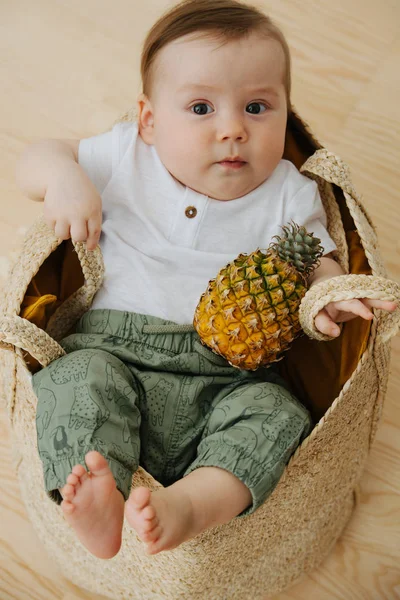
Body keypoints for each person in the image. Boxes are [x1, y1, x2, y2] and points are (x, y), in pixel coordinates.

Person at [15, 0, 396, 560]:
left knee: (277, 415)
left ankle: (190, 506)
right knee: (77, 378)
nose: (233, 129)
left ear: (288, 113)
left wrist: (329, 297)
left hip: (229, 375)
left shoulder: (287, 191)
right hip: (115, 352)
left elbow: (316, 259)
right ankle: (98, 490)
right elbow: (35, 157)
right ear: (149, 120)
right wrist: (65, 177)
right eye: (200, 107)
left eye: (258, 107)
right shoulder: (127, 156)